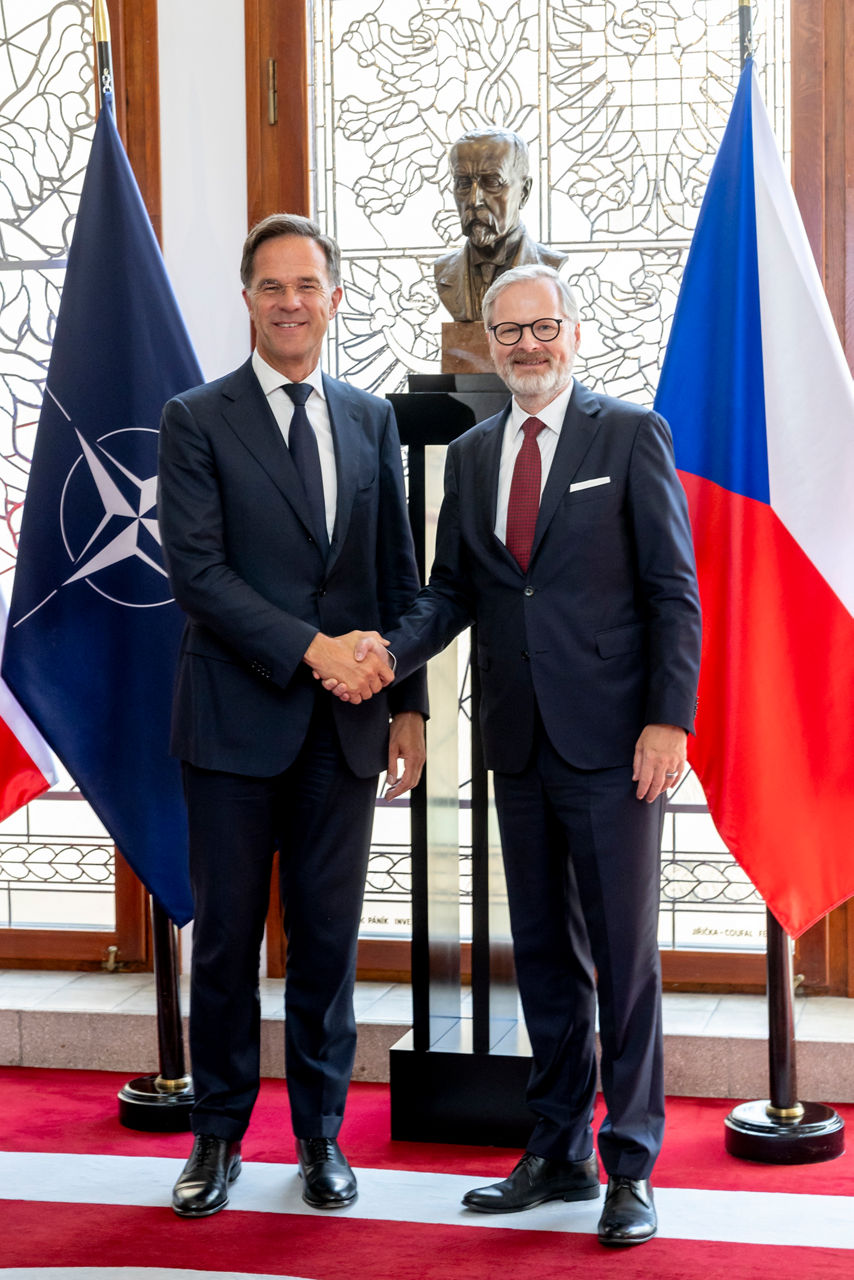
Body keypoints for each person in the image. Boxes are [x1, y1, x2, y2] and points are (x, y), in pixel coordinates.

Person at [331, 263, 701, 1246]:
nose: (526, 347)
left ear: (572, 333)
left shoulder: (628, 436)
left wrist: (668, 719)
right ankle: (557, 1147)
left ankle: (628, 1161)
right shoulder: (475, 446)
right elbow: (449, 591)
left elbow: (672, 591)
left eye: (542, 329)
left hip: (617, 744)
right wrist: (388, 652)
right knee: (540, 952)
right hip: (518, 739)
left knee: (620, 959)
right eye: (509, 333)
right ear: (491, 344)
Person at [157, 213, 427, 1218]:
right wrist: (310, 649)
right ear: (246, 300)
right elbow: (200, 576)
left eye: (306, 284)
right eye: (270, 285)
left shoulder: (368, 419)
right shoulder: (195, 417)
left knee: (327, 940)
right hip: (231, 724)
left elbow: (395, 571)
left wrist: (407, 706)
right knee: (226, 940)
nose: (288, 301)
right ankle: (217, 1136)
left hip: (345, 733)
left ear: (334, 297)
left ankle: (320, 1138)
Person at [433, 129, 566, 322]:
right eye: (463, 183)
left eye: (492, 182)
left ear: (524, 192)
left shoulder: (548, 268)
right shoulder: (444, 270)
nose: (474, 200)